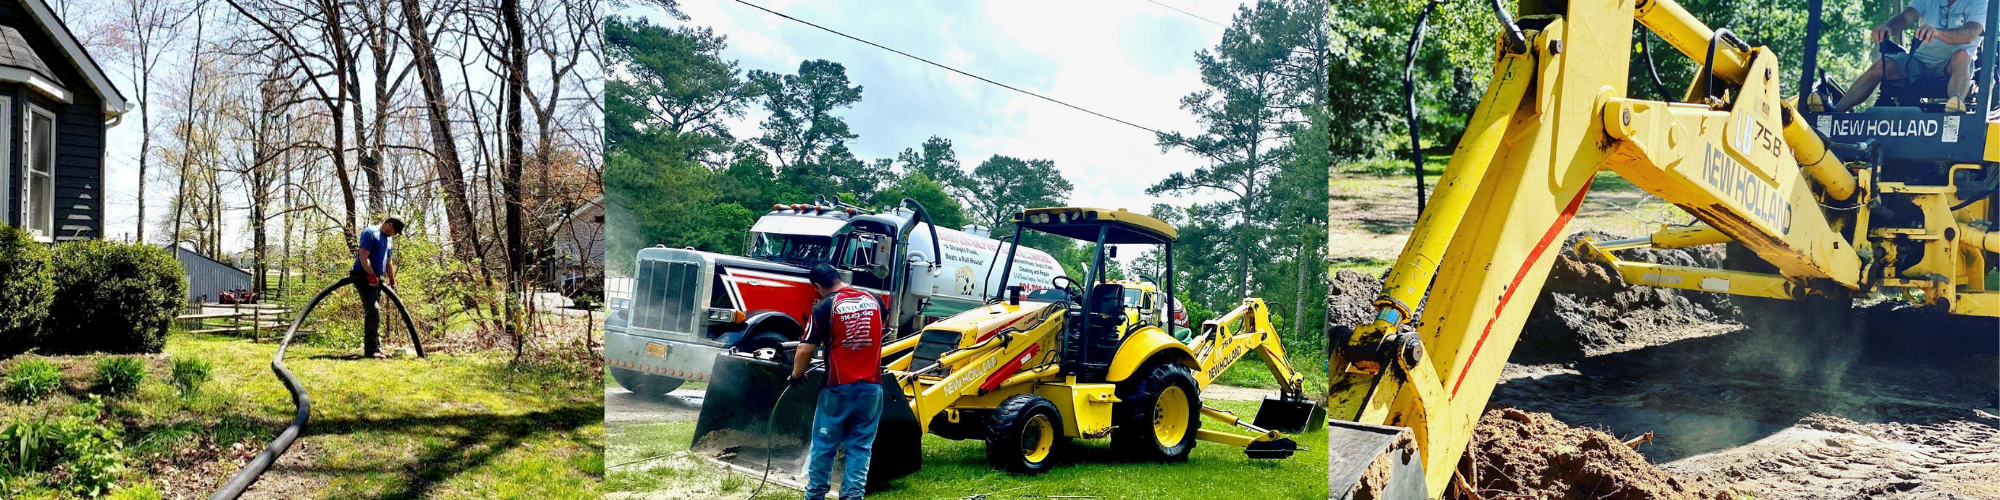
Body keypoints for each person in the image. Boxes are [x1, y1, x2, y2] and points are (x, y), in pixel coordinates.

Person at [787, 263, 884, 500]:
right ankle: (852, 496)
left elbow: (804, 349)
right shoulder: (875, 301)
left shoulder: (824, 307)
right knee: (860, 447)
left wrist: (796, 375)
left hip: (838, 389)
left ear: (818, 286)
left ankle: (816, 496)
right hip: (872, 389)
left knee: (824, 446)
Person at [1834, 0, 1988, 112]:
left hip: (1952, 66)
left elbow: (1969, 34)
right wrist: (1888, 28)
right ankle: (1835, 112)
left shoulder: (1980, 3)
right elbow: (1906, 17)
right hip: (1919, 60)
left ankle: (1955, 110)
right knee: (1882, 66)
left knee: (1963, 56)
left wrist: (1937, 33)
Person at [351, 216, 404, 358]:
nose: (395, 235)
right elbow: (363, 257)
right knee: (373, 310)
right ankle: (371, 350)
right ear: (390, 225)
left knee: (375, 313)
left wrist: (392, 281)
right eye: (395, 231)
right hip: (362, 276)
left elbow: (388, 262)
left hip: (376, 279)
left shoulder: (389, 239)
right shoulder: (370, 232)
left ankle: (376, 348)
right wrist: (371, 276)